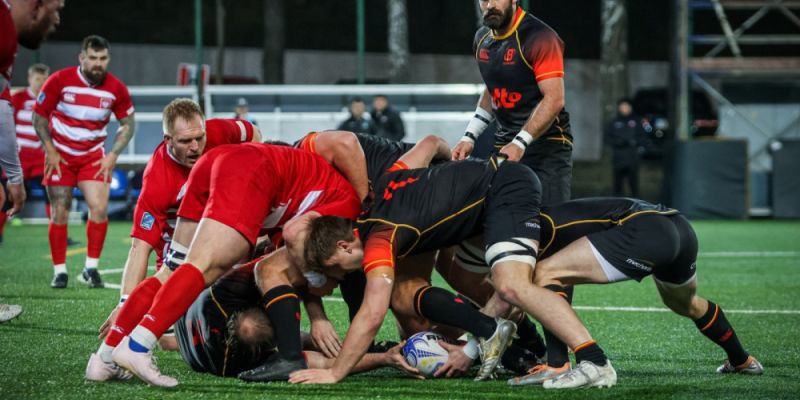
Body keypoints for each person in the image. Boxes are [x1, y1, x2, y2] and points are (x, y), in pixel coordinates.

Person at [290, 155, 616, 388]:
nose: (342, 277)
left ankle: (593, 360)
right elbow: (432, 143)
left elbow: (372, 314)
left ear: (345, 246)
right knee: (422, 293)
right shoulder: (384, 188)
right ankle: (527, 349)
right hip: (490, 195)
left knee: (513, 285)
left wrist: (335, 373)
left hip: (504, 191)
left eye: (336, 269)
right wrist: (456, 162)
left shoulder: (379, 238)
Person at [109, 143, 362, 387]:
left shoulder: (315, 209)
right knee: (205, 267)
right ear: (344, 244)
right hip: (251, 170)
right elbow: (294, 234)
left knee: (172, 270)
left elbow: (253, 134)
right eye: (339, 275)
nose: (336, 282)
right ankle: (138, 345)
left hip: (215, 161)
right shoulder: (346, 212)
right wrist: (316, 285)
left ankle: (105, 356)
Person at [85, 99, 260, 382]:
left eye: (199, 138)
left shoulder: (217, 132)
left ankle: (107, 358)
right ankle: (122, 349)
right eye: (185, 141)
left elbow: (253, 134)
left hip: (219, 226)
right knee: (178, 318)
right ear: (167, 140)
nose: (195, 146)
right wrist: (125, 305)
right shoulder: (158, 180)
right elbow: (139, 248)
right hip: (179, 247)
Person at [451, 0, 578, 374]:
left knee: (552, 249)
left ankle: (559, 360)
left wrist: (521, 141)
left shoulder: (540, 36)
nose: (488, 3)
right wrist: (471, 135)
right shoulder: (482, 39)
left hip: (546, 152)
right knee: (495, 245)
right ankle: (508, 336)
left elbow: (555, 98)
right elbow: (492, 91)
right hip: (505, 153)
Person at [521, 197, 763, 382]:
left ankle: (563, 364)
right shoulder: (548, 213)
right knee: (685, 304)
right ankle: (742, 360)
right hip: (679, 226)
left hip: (648, 232)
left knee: (545, 273)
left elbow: (521, 286)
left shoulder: (536, 227)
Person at [32, 35, 135, 290]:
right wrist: (50, 150)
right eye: (93, 58)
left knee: (99, 208)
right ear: (82, 58)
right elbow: (39, 116)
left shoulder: (116, 88)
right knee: (60, 210)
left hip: (93, 157)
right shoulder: (60, 80)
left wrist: (112, 155)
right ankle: (60, 271)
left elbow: (128, 124)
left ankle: (91, 267)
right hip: (61, 156)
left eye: (103, 58)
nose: (98, 63)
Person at [0, 0, 64, 323]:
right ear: (38, 6)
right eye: (58, 8)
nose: (57, 20)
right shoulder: (4, 32)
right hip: (22, 157)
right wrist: (13, 175)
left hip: (36, 159)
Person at [605, 98, 648, 197]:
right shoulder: (614, 122)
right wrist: (617, 142)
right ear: (619, 108)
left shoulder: (637, 121)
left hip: (632, 157)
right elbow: (607, 138)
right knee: (618, 186)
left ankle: (635, 207)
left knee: (633, 185)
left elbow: (643, 138)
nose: (625, 108)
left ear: (630, 107)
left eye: (627, 106)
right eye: (623, 106)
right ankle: (617, 207)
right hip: (618, 158)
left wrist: (637, 144)